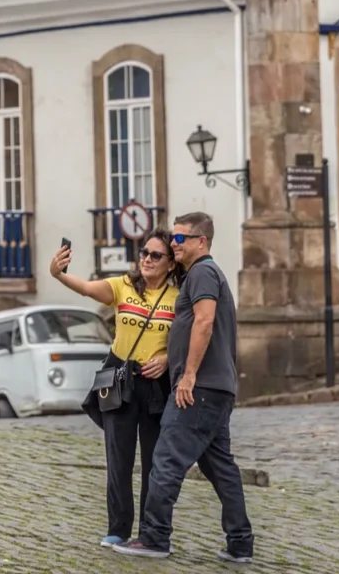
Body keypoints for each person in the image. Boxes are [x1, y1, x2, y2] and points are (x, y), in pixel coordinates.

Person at [113, 212, 255, 563]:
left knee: (165, 460)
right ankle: (240, 543)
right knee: (219, 467)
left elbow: (204, 322)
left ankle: (154, 538)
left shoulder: (203, 272)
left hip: (199, 389)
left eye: (180, 239)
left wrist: (188, 375)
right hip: (216, 389)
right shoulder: (202, 275)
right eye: (173, 239)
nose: (174, 244)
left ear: (201, 242)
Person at [51, 230, 180, 548]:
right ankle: (118, 528)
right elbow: (84, 288)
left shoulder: (179, 298)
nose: (147, 260)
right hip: (122, 381)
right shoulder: (122, 286)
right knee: (119, 459)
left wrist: (166, 358)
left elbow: (188, 340)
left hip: (156, 387)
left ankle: (151, 531)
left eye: (155, 255)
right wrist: (58, 273)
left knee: (154, 462)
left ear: (171, 264)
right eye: (144, 253)